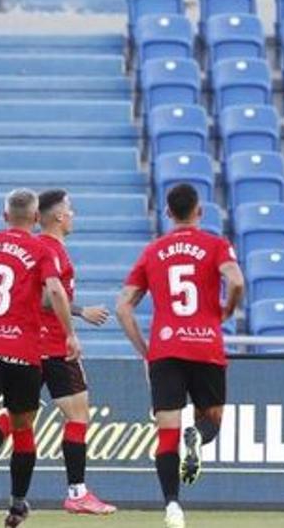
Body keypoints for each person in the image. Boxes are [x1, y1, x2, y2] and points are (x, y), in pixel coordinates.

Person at [0, 188, 79, 527]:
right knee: (22, 428)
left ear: (4, 216)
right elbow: (54, 291)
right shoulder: (40, 248)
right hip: (24, 350)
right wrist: (70, 334)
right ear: (36, 219)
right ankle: (17, 505)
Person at [116, 183, 244, 528]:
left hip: (166, 348)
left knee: (166, 431)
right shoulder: (216, 245)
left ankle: (172, 506)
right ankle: (198, 437)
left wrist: (146, 351)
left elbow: (123, 307)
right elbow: (236, 281)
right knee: (211, 420)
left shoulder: (153, 251)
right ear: (199, 212)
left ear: (168, 213)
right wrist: (227, 310)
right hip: (205, 345)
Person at [33, 189, 116, 514]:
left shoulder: (42, 248)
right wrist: (81, 313)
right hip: (54, 345)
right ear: (57, 216)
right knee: (78, 416)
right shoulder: (50, 250)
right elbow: (44, 297)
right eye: (69, 209)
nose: (73, 213)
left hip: (32, 345)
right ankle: (77, 493)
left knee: (18, 417)